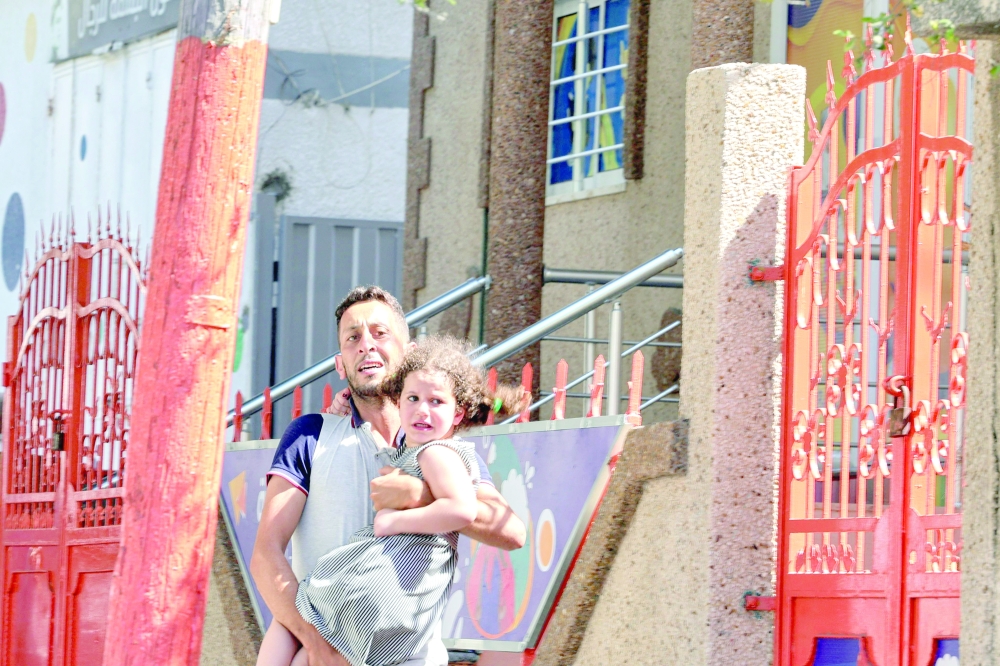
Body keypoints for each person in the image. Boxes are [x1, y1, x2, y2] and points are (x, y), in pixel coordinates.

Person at [250, 286, 526, 666]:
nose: (366, 345)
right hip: (328, 648)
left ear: (410, 353)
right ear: (339, 363)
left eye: (380, 333)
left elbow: (512, 533)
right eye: (353, 338)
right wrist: (319, 648)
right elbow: (266, 555)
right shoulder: (311, 434)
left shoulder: (445, 448)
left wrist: (422, 496)